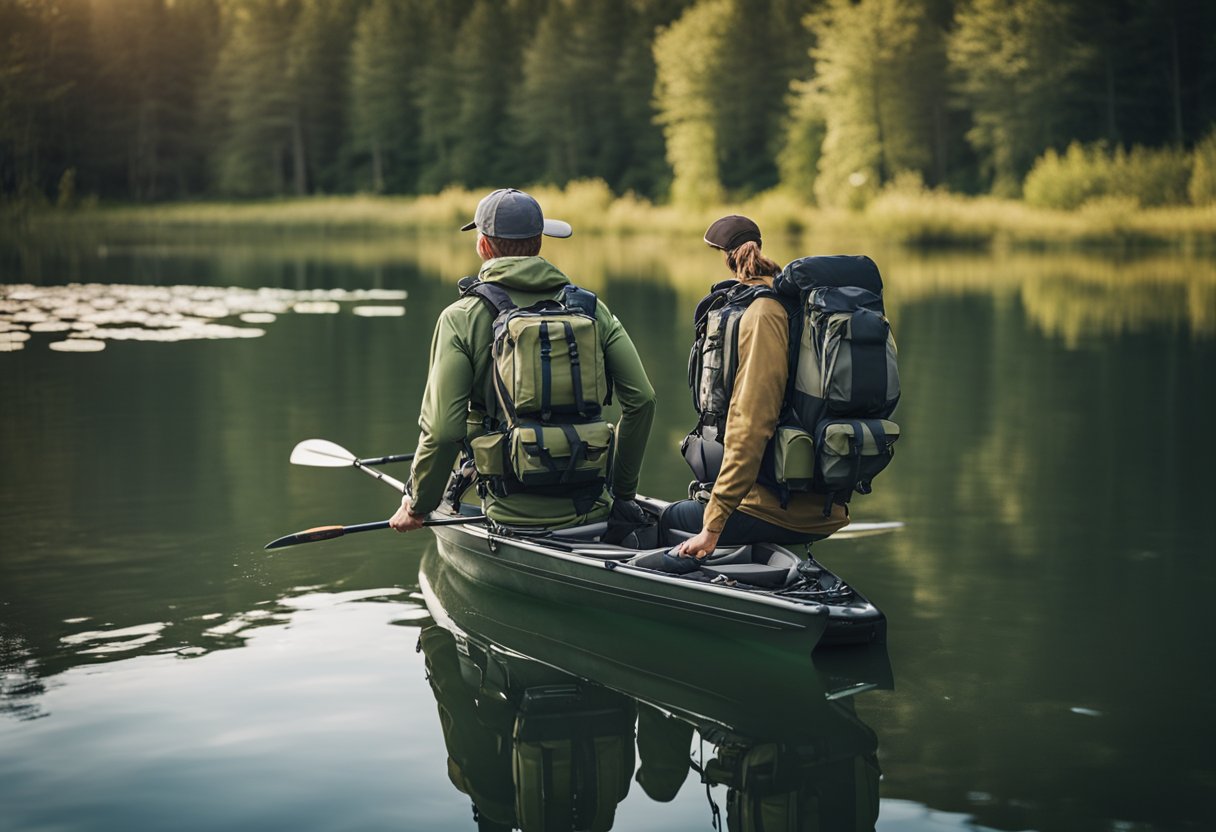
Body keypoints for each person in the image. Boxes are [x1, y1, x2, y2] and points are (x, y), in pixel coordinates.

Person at [389, 188, 656, 534]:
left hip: (508, 514)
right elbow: (642, 400)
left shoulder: (460, 317)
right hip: (592, 508)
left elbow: (442, 433)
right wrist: (622, 494)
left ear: (484, 246)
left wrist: (418, 504)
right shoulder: (592, 310)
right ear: (539, 243)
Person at [666, 215, 848, 563]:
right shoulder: (801, 306)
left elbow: (751, 424)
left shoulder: (763, 313)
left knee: (670, 520)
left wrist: (713, 524)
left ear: (726, 257)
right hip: (823, 507)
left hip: (772, 509)